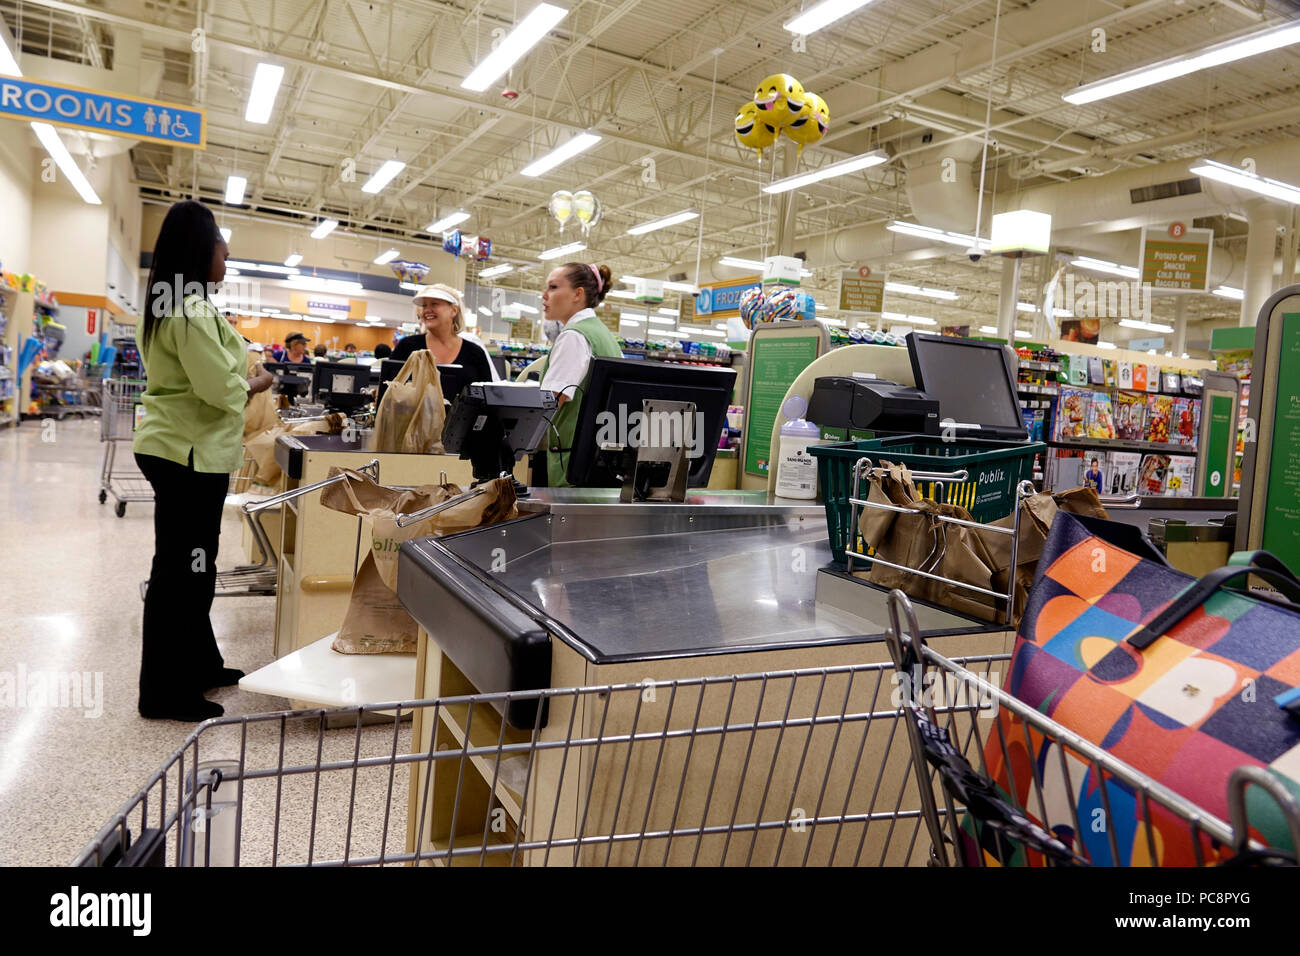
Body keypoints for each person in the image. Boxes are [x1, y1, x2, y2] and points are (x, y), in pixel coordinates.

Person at [132, 199, 275, 721]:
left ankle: (199, 663)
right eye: (220, 240)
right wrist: (258, 380)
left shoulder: (184, 304)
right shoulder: (189, 310)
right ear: (200, 248)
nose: (227, 250)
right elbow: (220, 388)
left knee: (197, 566)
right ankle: (164, 692)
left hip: (191, 452)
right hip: (186, 454)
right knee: (180, 572)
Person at [537, 262, 623, 487]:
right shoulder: (602, 334)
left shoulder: (574, 336)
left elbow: (551, 400)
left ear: (578, 294)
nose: (544, 295)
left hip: (571, 464)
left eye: (553, 287)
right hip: (599, 462)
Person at [390, 284, 492, 383]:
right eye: (424, 306)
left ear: (454, 310)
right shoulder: (407, 346)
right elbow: (387, 387)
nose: (427, 310)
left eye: (434, 304)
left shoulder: (475, 353)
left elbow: (488, 394)